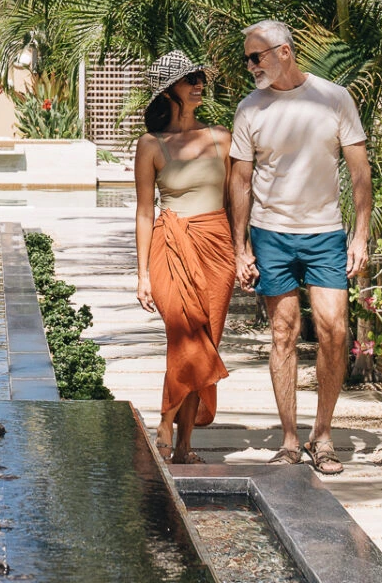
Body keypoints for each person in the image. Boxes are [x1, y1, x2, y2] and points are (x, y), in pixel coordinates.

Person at [228, 20, 371, 473]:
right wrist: (241, 248)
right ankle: (291, 438)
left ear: (284, 52)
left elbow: (360, 172)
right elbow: (239, 181)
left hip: (325, 233)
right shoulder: (250, 109)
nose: (250, 66)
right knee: (283, 333)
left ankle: (322, 435)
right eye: (247, 58)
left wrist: (360, 234)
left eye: (257, 57)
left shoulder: (334, 98)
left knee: (334, 329)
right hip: (270, 234)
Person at [133, 50, 237, 465]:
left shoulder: (222, 138)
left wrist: (244, 250)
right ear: (168, 91)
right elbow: (144, 211)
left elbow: (236, 201)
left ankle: (184, 443)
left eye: (199, 78)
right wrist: (141, 273)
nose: (198, 84)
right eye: (188, 79)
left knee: (206, 340)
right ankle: (165, 421)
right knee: (184, 336)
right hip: (170, 244)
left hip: (217, 246)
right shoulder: (150, 145)